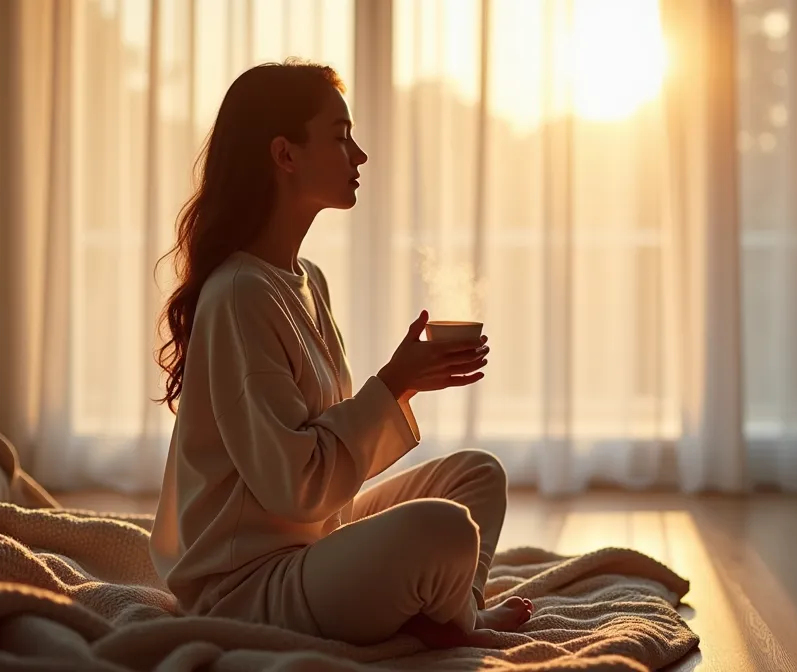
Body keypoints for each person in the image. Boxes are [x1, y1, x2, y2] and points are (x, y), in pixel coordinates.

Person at [148, 59, 532, 649]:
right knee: (444, 530)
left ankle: (453, 611)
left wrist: (402, 387)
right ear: (285, 154)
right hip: (251, 586)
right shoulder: (239, 294)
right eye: (340, 136)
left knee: (478, 475)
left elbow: (323, 467)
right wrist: (389, 384)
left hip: (314, 537)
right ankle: (459, 621)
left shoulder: (306, 279)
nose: (360, 155)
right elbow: (295, 486)